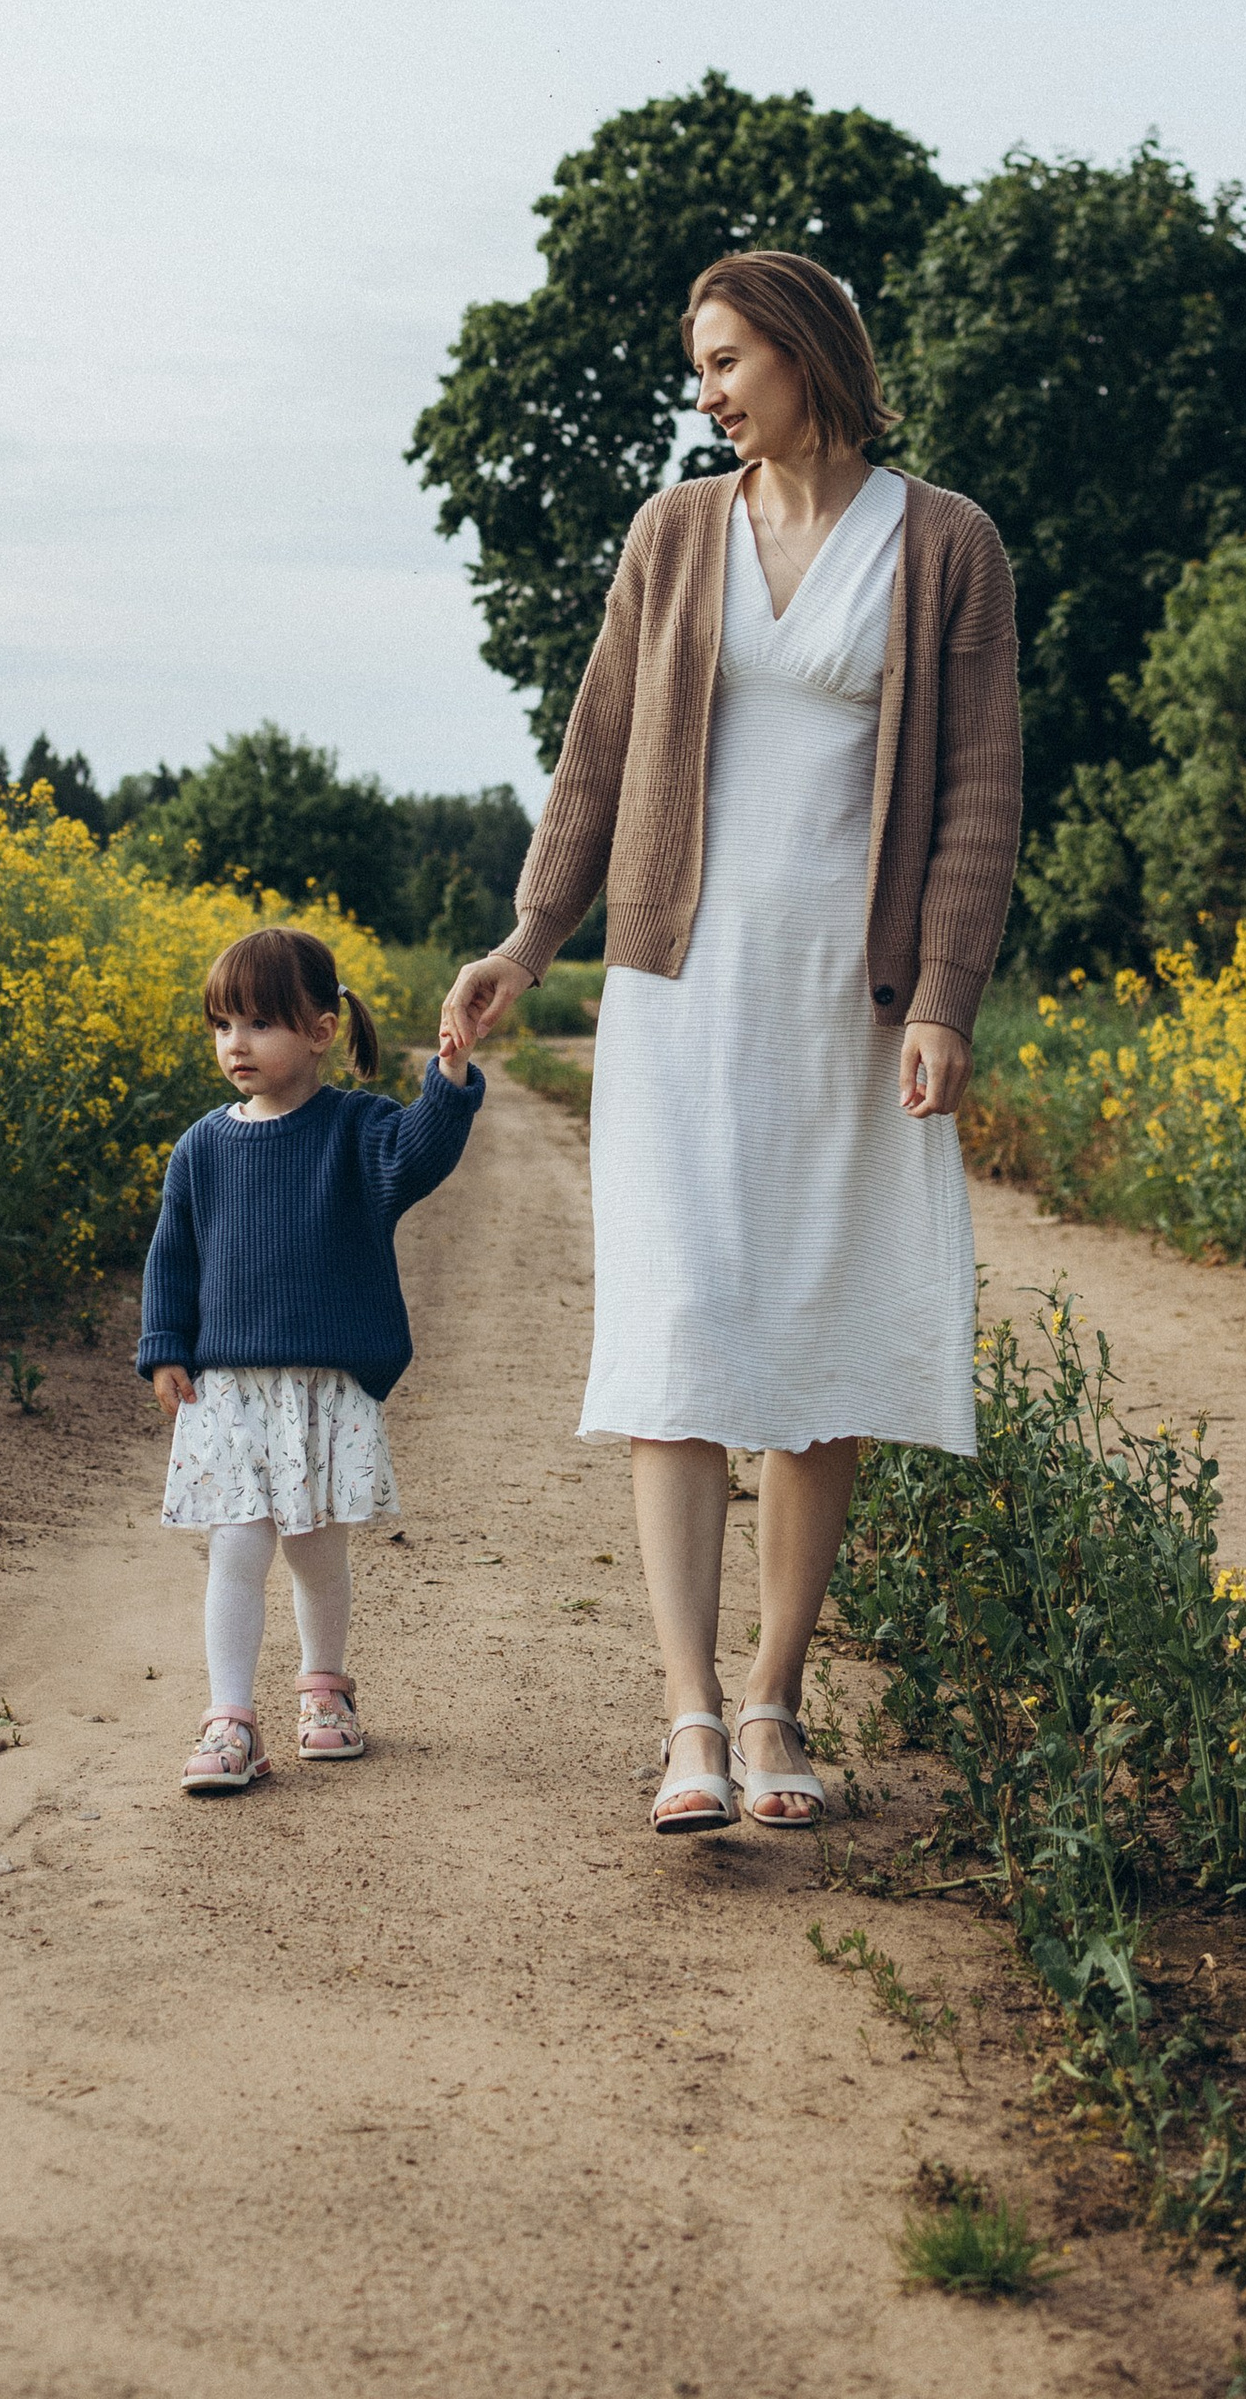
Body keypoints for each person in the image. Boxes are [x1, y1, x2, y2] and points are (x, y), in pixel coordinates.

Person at [441, 252, 1020, 1835]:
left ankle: (775, 1701)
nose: (707, 393)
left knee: (817, 1347)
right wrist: (524, 942)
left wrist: (948, 999)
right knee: (682, 1329)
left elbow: (979, 797)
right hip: (682, 997)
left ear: (804, 348)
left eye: (724, 359)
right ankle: (687, 1714)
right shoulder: (674, 533)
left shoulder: (948, 542)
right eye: (700, 367)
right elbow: (596, 760)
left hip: (850, 999)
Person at [139, 924, 483, 1793]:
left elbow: (422, 1154)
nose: (236, 1045)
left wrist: (446, 1078)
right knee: (238, 1549)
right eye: (223, 1026)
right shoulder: (202, 1148)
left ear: (322, 1030)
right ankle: (230, 1720)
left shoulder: (357, 1131)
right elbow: (172, 1255)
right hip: (228, 1390)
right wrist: (164, 1347)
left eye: (259, 1024)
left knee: (318, 1556)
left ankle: (324, 1693)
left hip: (324, 1386)